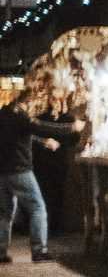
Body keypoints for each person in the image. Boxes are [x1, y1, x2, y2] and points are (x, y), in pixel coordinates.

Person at [0, 89, 80, 263]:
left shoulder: (4, 114)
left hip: (3, 172)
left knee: (4, 213)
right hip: (20, 169)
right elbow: (40, 127)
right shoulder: (20, 115)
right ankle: (39, 250)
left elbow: (25, 133)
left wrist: (43, 141)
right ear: (29, 101)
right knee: (38, 207)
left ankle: (1, 252)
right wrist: (71, 127)